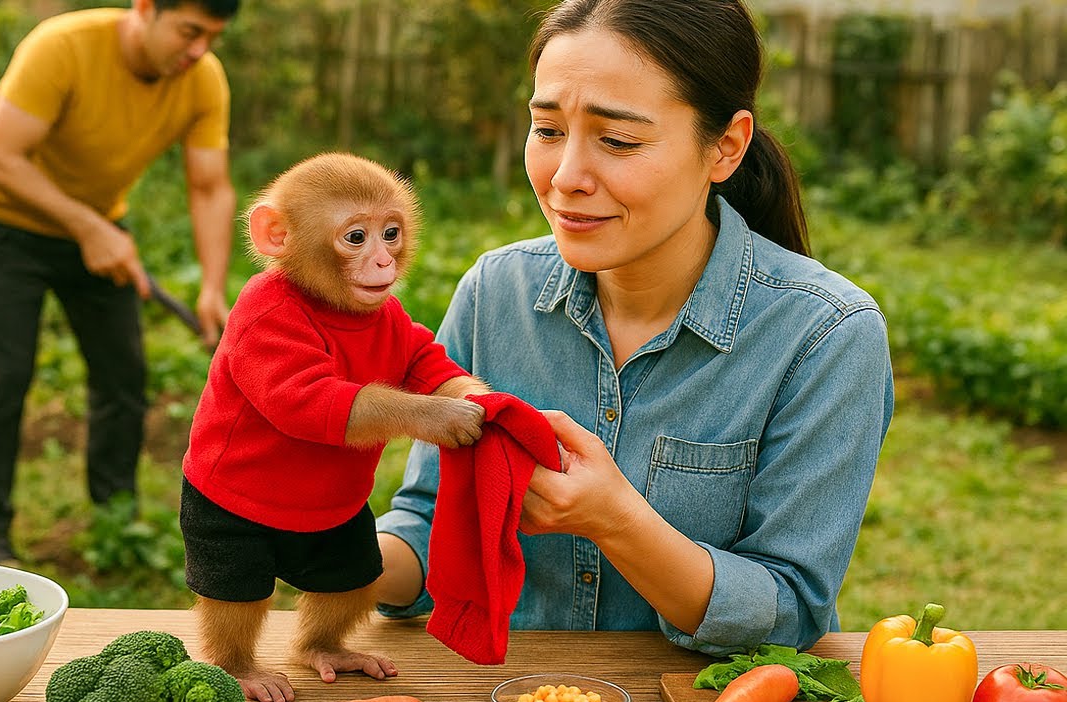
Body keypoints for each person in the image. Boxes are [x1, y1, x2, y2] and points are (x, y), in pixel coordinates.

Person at [374, 0, 894, 655]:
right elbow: (430, 522)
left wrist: (613, 521)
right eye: (548, 129)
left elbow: (789, 610)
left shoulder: (825, 336)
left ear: (724, 147)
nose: (566, 179)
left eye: (617, 140)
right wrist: (329, 550)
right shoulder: (493, 295)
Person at [0, 0, 239, 564]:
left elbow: (209, 186)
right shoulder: (61, 46)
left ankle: (115, 519)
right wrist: (87, 226)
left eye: (211, 37)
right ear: (145, 9)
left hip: (97, 227)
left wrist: (211, 286)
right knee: (3, 373)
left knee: (122, 375)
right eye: (188, 31)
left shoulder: (202, 79)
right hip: (1, 222)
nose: (198, 50)